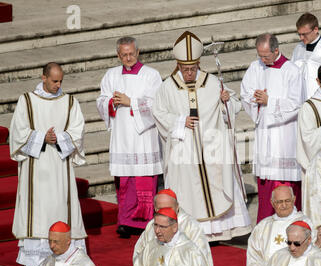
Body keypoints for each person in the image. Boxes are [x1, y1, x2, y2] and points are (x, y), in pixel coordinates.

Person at [152, 31, 251, 242]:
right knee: (189, 192)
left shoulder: (213, 82)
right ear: (178, 66)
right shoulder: (167, 88)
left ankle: (222, 231)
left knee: (217, 186)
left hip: (211, 147)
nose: (189, 73)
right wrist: (180, 121)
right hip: (183, 150)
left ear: (198, 64)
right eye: (185, 69)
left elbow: (234, 107)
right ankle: (195, 232)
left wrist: (226, 101)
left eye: (193, 68)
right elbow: (158, 113)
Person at [9, 62, 87, 266]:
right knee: (38, 209)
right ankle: (35, 260)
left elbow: (78, 131)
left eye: (61, 80)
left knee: (60, 206)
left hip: (60, 167)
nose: (58, 84)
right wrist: (43, 137)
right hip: (36, 166)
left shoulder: (70, 102)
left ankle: (65, 253)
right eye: (54, 81)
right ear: (43, 78)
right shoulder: (26, 101)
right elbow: (18, 132)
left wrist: (59, 139)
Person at [96, 36, 163, 238]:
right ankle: (125, 222)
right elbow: (101, 99)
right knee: (125, 181)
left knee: (143, 180)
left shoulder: (151, 75)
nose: (128, 57)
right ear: (118, 55)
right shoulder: (111, 75)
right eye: (124, 54)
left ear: (138, 52)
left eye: (131, 53)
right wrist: (110, 103)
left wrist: (130, 101)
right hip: (122, 135)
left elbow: (157, 104)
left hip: (144, 135)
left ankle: (144, 223)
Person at [240, 33, 305, 223]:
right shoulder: (255, 67)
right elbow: (245, 93)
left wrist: (270, 101)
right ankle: (265, 228)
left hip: (284, 135)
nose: (262, 59)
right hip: (264, 133)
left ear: (276, 50)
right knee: (266, 184)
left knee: (284, 180)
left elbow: (297, 104)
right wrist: (256, 99)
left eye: (266, 55)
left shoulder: (291, 71)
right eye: (259, 55)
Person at [132, 188, 217, 266]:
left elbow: (200, 264)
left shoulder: (191, 226)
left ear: (177, 207)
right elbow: (139, 259)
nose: (165, 213)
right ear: (155, 208)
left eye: (169, 208)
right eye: (160, 209)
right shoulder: (151, 227)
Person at [243, 184, 315, 266]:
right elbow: (254, 262)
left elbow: (312, 259)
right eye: (279, 202)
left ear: (294, 199)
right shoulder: (262, 227)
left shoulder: (306, 223)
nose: (284, 205)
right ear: (272, 203)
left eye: (287, 201)